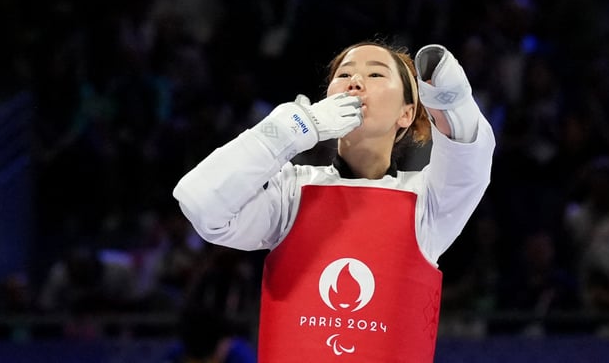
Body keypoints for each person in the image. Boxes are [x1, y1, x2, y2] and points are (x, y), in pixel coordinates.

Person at [173, 40, 495, 362]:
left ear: (406, 113)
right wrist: (292, 128)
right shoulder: (291, 192)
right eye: (344, 74)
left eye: (376, 74)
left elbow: (468, 157)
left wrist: (447, 97)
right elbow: (201, 202)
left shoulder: (426, 203)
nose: (355, 82)